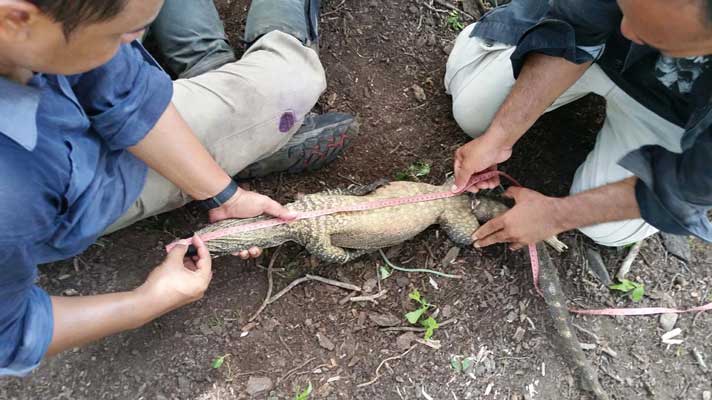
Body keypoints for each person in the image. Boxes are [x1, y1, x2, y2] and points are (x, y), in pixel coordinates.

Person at [0, 0, 357, 376]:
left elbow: (124, 90)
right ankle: (222, 84)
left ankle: (210, 67)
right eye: (121, 34)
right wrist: (146, 302)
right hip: (89, 187)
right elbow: (9, 335)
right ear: (16, 18)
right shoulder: (11, 197)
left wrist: (225, 194)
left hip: (64, 118)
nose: (136, 41)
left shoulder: (36, 36)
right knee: (292, 79)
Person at [445, 0, 712, 250]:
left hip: (673, 111)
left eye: (659, 32)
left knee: (607, 230)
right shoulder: (628, 25)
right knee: (475, 114)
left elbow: (690, 183)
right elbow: (577, 28)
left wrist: (556, 216)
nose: (626, 31)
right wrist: (500, 137)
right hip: (600, 53)